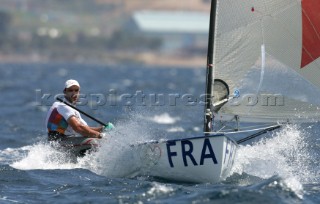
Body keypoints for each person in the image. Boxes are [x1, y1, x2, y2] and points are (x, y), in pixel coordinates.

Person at [45, 79, 113, 155]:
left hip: (67, 141)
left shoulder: (72, 109)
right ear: (65, 92)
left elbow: (85, 129)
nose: (74, 93)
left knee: (99, 139)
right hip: (58, 142)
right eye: (70, 90)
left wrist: (103, 129)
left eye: (76, 90)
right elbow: (78, 128)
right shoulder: (63, 107)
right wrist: (100, 135)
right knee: (96, 142)